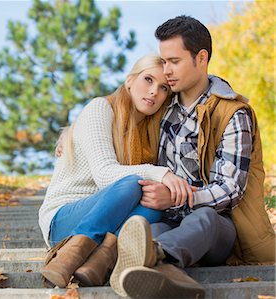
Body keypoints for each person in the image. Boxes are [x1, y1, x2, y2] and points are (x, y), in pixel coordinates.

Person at [108, 15, 275, 298]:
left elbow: (230, 189)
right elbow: (121, 105)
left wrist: (175, 197)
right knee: (144, 230)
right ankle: (170, 274)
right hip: (168, 221)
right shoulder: (162, 105)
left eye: (175, 61)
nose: (167, 70)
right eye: (163, 61)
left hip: (220, 229)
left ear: (201, 58)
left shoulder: (233, 114)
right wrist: (72, 133)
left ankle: (156, 255)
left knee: (204, 219)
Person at [38, 55, 195, 289]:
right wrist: (160, 173)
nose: (154, 92)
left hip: (109, 221)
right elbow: (104, 174)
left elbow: (198, 84)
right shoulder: (100, 108)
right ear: (130, 80)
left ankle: (99, 263)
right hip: (63, 220)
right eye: (148, 80)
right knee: (132, 183)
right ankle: (66, 259)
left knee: (154, 198)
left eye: (163, 88)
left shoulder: (150, 131)